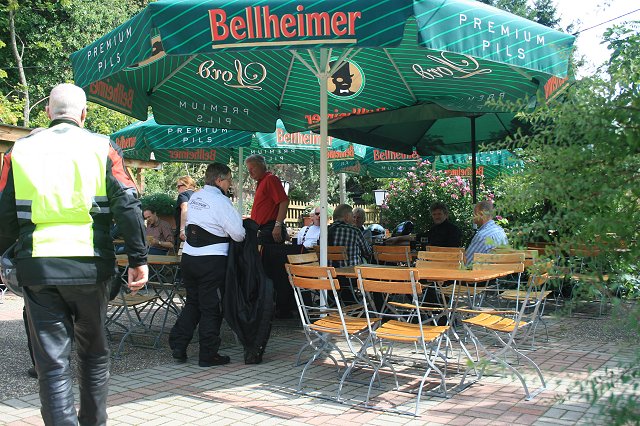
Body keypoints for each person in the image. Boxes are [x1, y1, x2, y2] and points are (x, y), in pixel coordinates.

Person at [0, 83, 148, 425]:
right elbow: (128, 204)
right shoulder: (102, 147)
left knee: (52, 365)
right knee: (93, 354)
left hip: (38, 267)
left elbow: (4, 214)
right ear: (84, 113)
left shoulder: (19, 151)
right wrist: (138, 259)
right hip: (90, 266)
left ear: (48, 112)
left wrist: (4, 256)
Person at [169, 163, 245, 367]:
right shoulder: (221, 202)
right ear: (219, 180)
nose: (230, 184)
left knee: (193, 303)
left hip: (189, 257)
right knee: (211, 307)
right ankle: (208, 354)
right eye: (229, 180)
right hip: (212, 260)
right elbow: (238, 234)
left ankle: (178, 345)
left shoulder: (196, 197)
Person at [245, 154, 289, 244]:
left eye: (252, 169)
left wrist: (278, 226)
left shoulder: (270, 179)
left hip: (269, 229)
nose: (250, 173)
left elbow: (284, 201)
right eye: (248, 170)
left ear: (261, 166)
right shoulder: (261, 182)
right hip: (262, 229)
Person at [385, 202, 462, 248]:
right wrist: (398, 239)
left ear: (446, 215)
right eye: (434, 214)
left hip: (445, 263)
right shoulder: (435, 229)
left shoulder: (453, 230)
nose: (436, 217)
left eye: (439, 214)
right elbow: (419, 237)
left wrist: (398, 239)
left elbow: (449, 248)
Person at [465, 200, 509, 265]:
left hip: (485, 271)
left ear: (481, 214)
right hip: (503, 270)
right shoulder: (500, 231)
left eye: (474, 213)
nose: (472, 217)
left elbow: (467, 262)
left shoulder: (482, 236)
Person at [174, 175, 196, 248]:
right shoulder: (199, 196)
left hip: (186, 232)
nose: (177, 189)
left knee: (182, 253)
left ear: (186, 185)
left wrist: (182, 230)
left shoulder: (183, 195)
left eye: (179, 186)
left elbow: (185, 208)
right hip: (198, 233)